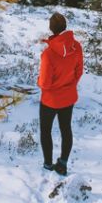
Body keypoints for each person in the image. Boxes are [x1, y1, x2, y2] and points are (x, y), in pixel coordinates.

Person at [37, 11, 83, 176]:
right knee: (66, 129)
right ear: (65, 26)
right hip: (68, 97)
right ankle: (62, 163)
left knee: (46, 131)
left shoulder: (48, 54)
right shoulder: (76, 46)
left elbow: (45, 83)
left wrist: (39, 82)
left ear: (51, 29)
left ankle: (48, 165)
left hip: (50, 100)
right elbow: (79, 72)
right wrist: (69, 86)